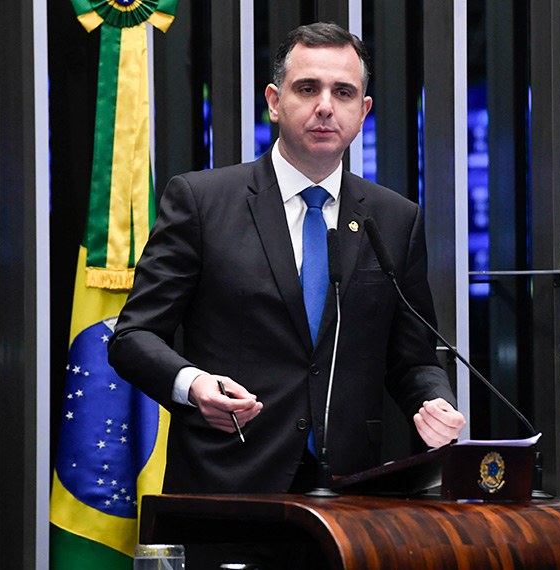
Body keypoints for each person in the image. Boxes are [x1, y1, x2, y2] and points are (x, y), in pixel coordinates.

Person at [108, 22, 465, 499]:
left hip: (351, 494)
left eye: (343, 93)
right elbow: (134, 336)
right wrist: (193, 385)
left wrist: (435, 400)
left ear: (363, 112)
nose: (324, 106)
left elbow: (413, 358)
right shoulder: (202, 201)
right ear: (275, 101)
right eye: (307, 88)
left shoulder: (395, 219)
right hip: (228, 485)